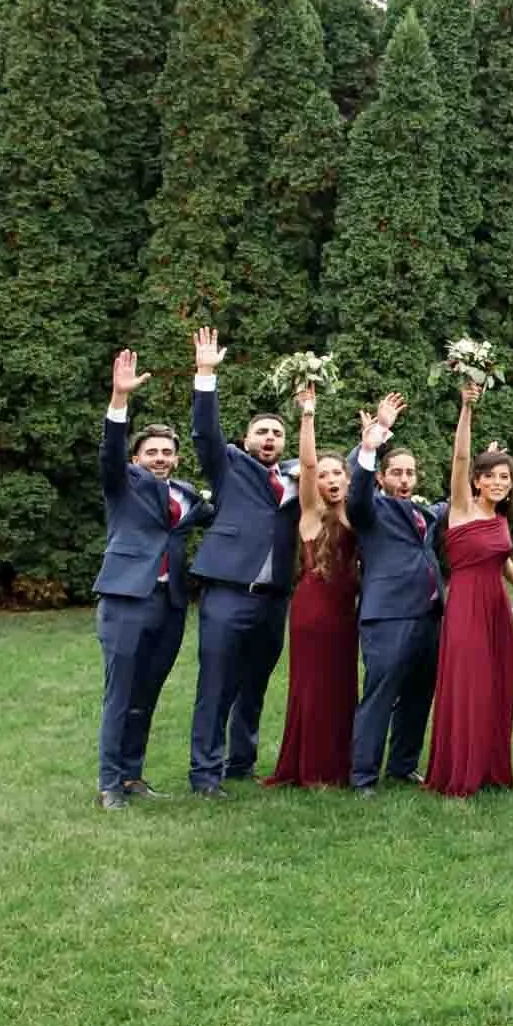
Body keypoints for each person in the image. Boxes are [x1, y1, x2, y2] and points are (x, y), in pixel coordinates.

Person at [184, 327, 302, 795]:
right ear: (246, 438)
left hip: (274, 599)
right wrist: (206, 374)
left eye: (277, 433)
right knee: (217, 686)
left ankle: (240, 763)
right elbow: (204, 433)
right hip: (229, 593)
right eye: (262, 432)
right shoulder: (228, 465)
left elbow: (338, 479)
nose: (270, 438)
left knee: (254, 685)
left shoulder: (296, 479)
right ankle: (204, 774)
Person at [92, 350, 213, 809]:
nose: (160, 459)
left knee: (147, 692)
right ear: (137, 458)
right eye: (152, 453)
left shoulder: (186, 497)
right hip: (126, 597)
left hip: (170, 603)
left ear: (177, 459)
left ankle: (132, 775)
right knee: (120, 693)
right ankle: (108, 784)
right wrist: (119, 400)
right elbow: (109, 451)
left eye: (167, 453)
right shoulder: (122, 484)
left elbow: (232, 509)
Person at [347, 393, 447, 795]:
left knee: (419, 695)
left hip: (430, 615)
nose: (404, 479)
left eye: (410, 473)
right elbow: (355, 496)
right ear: (382, 478)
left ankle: (403, 765)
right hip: (388, 617)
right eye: (397, 473)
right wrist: (372, 444)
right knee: (380, 696)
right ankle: (363, 776)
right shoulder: (371, 510)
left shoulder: (427, 514)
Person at [425, 384, 513, 796]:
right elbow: (461, 457)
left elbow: (503, 561)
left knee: (496, 684)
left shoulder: (500, 519)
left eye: (506, 477)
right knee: (468, 684)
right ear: (476, 482)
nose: (500, 483)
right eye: (492, 477)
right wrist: (467, 407)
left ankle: (488, 766)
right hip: (466, 603)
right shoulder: (462, 508)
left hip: (497, 606)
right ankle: (459, 770)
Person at [261, 386, 355, 788]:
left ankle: (341, 765)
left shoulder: (360, 515)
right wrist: (307, 415)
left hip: (347, 612)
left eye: (339, 473)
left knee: (342, 686)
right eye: (325, 475)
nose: (330, 479)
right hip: (313, 609)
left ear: (349, 480)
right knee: (313, 686)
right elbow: (308, 462)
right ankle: (311, 768)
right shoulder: (312, 514)